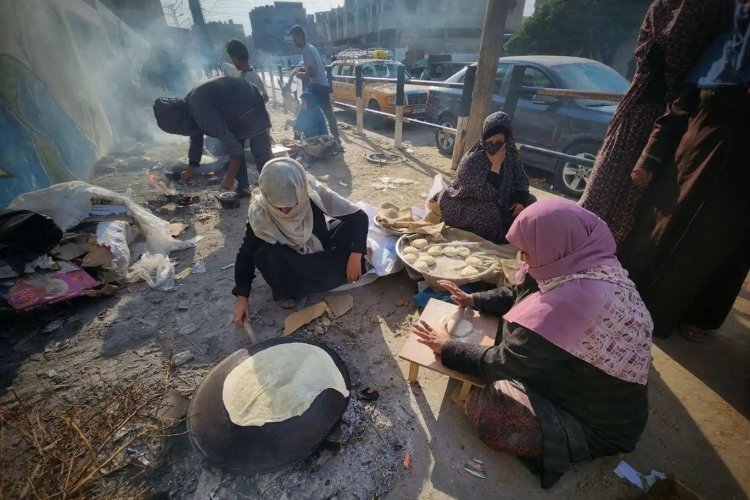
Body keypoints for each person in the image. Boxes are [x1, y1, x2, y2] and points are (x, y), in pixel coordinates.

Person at [411, 199, 654, 489]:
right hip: (574, 376)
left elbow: (501, 363)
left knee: (489, 415)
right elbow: (521, 291)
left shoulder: (574, 301)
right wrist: (473, 300)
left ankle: (561, 442)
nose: (522, 259)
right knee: (491, 342)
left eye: (526, 250)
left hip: (592, 420)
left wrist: (446, 347)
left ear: (555, 243)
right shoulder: (578, 260)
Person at [620, 0, 750, 340]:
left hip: (740, 184)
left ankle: (695, 316)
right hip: (688, 167)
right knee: (657, 235)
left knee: (717, 249)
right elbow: (677, 110)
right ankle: (628, 305)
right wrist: (649, 157)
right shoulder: (718, 54)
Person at [579, 0, 734, 245]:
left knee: (632, 207)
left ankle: (595, 262)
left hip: (676, 122)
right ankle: (572, 257)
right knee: (601, 196)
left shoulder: (710, 12)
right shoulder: (661, 9)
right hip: (640, 113)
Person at [232, 158, 368, 319]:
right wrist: (242, 297)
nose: (285, 211)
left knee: (350, 230)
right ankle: (288, 291)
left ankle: (316, 279)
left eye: (291, 205)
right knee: (265, 253)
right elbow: (246, 254)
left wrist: (356, 254)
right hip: (291, 263)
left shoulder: (312, 193)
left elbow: (359, 217)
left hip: (318, 249)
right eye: (278, 206)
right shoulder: (260, 213)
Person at [153, 77, 273, 196]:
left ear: (181, 122)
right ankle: (244, 188)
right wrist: (190, 169)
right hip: (233, 111)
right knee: (234, 145)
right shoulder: (187, 107)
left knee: (260, 151)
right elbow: (196, 138)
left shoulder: (201, 112)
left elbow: (235, 149)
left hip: (249, 101)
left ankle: (271, 190)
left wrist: (229, 177)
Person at [438, 112, 535, 244]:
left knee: (531, 203)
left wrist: (520, 201)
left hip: (500, 203)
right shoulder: (472, 161)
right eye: (490, 142)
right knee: (489, 214)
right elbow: (485, 195)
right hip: (466, 205)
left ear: (507, 141)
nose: (494, 146)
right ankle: (504, 237)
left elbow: (521, 181)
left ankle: (509, 231)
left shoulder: (511, 156)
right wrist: (496, 166)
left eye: (499, 142)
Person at [289, 25, 340, 141]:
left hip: (316, 87)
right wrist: (303, 70)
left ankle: (300, 136)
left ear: (299, 36)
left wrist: (300, 74)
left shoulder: (306, 51)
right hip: (323, 85)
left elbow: (312, 73)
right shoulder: (312, 47)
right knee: (328, 114)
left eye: (294, 39)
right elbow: (314, 69)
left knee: (305, 110)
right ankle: (336, 138)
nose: (293, 42)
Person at [226, 38, 268, 103]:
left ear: (235, 58)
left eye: (232, 59)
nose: (232, 63)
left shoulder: (244, 79)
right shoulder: (253, 74)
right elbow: (266, 97)